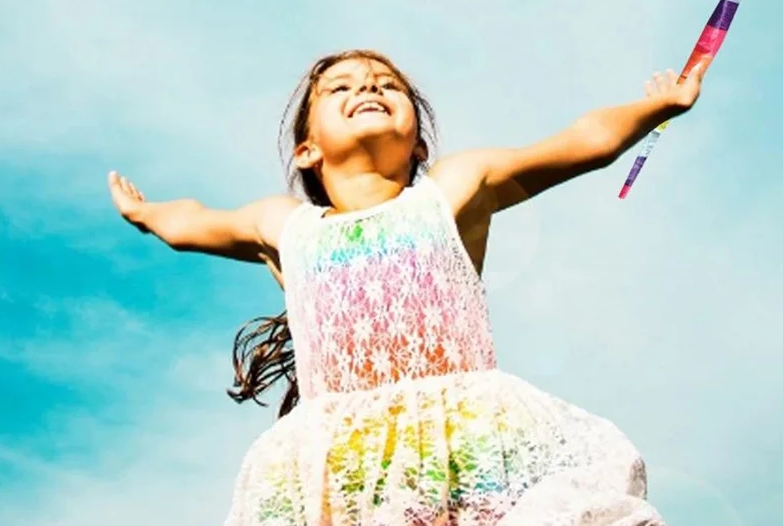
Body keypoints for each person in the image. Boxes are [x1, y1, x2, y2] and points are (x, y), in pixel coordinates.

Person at [110, 49, 703, 525]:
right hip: (341, 467)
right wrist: (146, 214)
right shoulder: (284, 224)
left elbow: (581, 143)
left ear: (418, 143)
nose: (367, 89)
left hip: (472, 445)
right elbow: (192, 222)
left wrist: (656, 108)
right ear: (307, 150)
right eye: (340, 88)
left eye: (386, 86)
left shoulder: (452, 189)